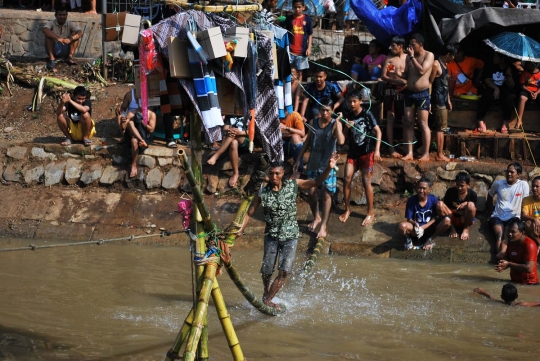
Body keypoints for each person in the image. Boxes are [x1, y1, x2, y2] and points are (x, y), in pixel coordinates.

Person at [238, 154, 339, 310]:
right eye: (271, 174)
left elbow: (316, 182)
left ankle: (268, 300)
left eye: (277, 173)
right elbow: (250, 212)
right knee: (266, 271)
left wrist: (329, 168)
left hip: (290, 236)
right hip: (271, 236)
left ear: (283, 173)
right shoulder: (263, 192)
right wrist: (240, 229)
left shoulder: (293, 185)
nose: (274, 177)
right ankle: (267, 293)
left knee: (284, 271)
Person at [294, 98, 345, 238]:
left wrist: (339, 123)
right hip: (313, 163)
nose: (324, 113)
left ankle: (324, 226)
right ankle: (316, 216)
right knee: (311, 193)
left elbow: (341, 141)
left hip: (328, 165)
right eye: (322, 110)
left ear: (332, 111)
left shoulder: (335, 124)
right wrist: (298, 159)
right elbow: (307, 142)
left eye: (327, 110)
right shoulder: (313, 122)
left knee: (326, 195)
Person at [339, 90, 382, 226]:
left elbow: (378, 131)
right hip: (353, 153)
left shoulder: (367, 114)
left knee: (366, 181)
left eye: (354, 101)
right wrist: (346, 128)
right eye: (349, 101)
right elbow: (344, 138)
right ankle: (347, 209)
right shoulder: (348, 115)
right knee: (346, 179)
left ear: (360, 102)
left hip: (367, 153)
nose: (352, 104)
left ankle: (370, 212)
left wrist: (377, 150)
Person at [487, 162, 529, 262]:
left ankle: (503, 258)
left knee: (507, 234)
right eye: (507, 171)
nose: (509, 174)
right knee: (500, 234)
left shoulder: (523, 185)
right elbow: (489, 195)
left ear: (518, 174)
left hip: (514, 216)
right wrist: (490, 210)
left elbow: (525, 201)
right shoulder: (498, 184)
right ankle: (501, 258)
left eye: (512, 172)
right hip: (497, 215)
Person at [402, 33, 434, 162]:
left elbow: (421, 71)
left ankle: (426, 153)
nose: (410, 47)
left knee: (422, 123)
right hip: (409, 92)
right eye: (409, 44)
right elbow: (406, 73)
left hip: (422, 94)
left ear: (420, 44)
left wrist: (411, 57)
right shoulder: (409, 57)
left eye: (412, 44)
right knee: (409, 122)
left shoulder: (429, 55)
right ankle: (409, 152)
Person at [398, 178, 451, 250]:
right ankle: (409, 240)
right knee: (402, 226)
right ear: (416, 188)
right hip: (416, 229)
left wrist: (424, 227)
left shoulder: (433, 200)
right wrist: (415, 223)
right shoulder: (411, 200)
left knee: (447, 221)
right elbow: (409, 219)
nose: (421, 191)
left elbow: (436, 217)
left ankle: (430, 239)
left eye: (424, 188)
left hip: (430, 228)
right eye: (419, 188)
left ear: (429, 190)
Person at [475, 53, 516, 133]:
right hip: (492, 88)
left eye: (496, 57)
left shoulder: (511, 68)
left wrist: (509, 75)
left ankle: (505, 122)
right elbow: (487, 79)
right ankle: (480, 119)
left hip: (505, 90)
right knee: (487, 95)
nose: (494, 58)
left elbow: (512, 86)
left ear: (502, 59)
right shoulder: (491, 66)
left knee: (510, 97)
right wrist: (496, 88)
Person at [380, 36, 407, 159]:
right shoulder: (389, 58)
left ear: (401, 46)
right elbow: (384, 76)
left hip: (404, 90)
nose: (392, 48)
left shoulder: (408, 58)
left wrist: (404, 82)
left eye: (394, 46)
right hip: (390, 89)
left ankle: (406, 147)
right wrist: (394, 80)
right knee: (390, 117)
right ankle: (391, 148)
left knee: (406, 118)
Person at [429, 44, 456, 161]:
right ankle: (439, 154)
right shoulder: (436, 64)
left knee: (439, 127)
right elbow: (430, 83)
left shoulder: (445, 65)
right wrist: (429, 100)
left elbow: (445, 84)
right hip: (437, 99)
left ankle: (422, 149)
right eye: (453, 55)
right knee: (441, 129)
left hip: (443, 99)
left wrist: (448, 99)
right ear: (448, 54)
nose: (454, 58)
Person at [207, 116, 249, 188]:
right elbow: (225, 128)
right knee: (234, 142)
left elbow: (252, 131)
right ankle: (236, 173)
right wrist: (229, 130)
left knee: (233, 135)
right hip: (231, 142)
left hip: (245, 141)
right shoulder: (231, 112)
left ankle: (217, 155)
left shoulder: (250, 113)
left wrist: (239, 132)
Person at [494, 218, 538, 285]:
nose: (509, 234)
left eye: (513, 232)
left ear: (522, 233)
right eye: (509, 231)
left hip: (529, 284)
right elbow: (508, 258)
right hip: (515, 282)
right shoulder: (511, 242)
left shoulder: (529, 244)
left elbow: (529, 268)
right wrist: (502, 263)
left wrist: (509, 264)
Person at [440, 172, 477, 240]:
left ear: (468, 185)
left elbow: (473, 210)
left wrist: (467, 203)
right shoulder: (450, 192)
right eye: (457, 185)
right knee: (440, 204)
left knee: (471, 205)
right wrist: (456, 211)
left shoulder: (472, 194)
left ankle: (466, 228)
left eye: (462, 185)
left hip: (465, 219)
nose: (459, 188)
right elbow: (445, 207)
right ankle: (452, 228)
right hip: (452, 217)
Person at [284, 0, 313, 83]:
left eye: (299, 7)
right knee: (289, 72)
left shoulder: (307, 19)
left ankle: (297, 94)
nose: (297, 9)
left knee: (300, 74)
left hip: (302, 52)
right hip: (290, 51)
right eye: (295, 7)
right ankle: (288, 93)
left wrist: (309, 48)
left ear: (303, 7)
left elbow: (310, 34)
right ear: (292, 7)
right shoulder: (289, 19)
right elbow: (286, 32)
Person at [124, 109, 156, 178]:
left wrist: (142, 121)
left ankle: (133, 165)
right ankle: (141, 140)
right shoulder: (131, 113)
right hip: (131, 138)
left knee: (134, 141)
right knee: (130, 123)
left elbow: (151, 129)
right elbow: (123, 127)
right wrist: (122, 120)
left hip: (143, 137)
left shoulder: (151, 114)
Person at [515, 61, 540, 130]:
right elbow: (522, 85)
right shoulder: (524, 72)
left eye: (528, 63)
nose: (526, 65)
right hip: (527, 90)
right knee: (522, 98)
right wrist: (530, 92)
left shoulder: (539, 73)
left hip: (537, 91)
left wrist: (536, 93)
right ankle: (519, 120)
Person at [473, 284, 540, 307]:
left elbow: (491, 298)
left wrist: (483, 292)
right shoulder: (520, 305)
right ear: (517, 296)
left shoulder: (500, 303)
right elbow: (538, 303)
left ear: (501, 297)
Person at [520, 176, 540, 249]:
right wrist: (534, 219)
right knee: (527, 223)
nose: (534, 188)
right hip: (533, 226)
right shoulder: (526, 200)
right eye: (533, 186)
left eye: (537, 186)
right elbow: (523, 216)